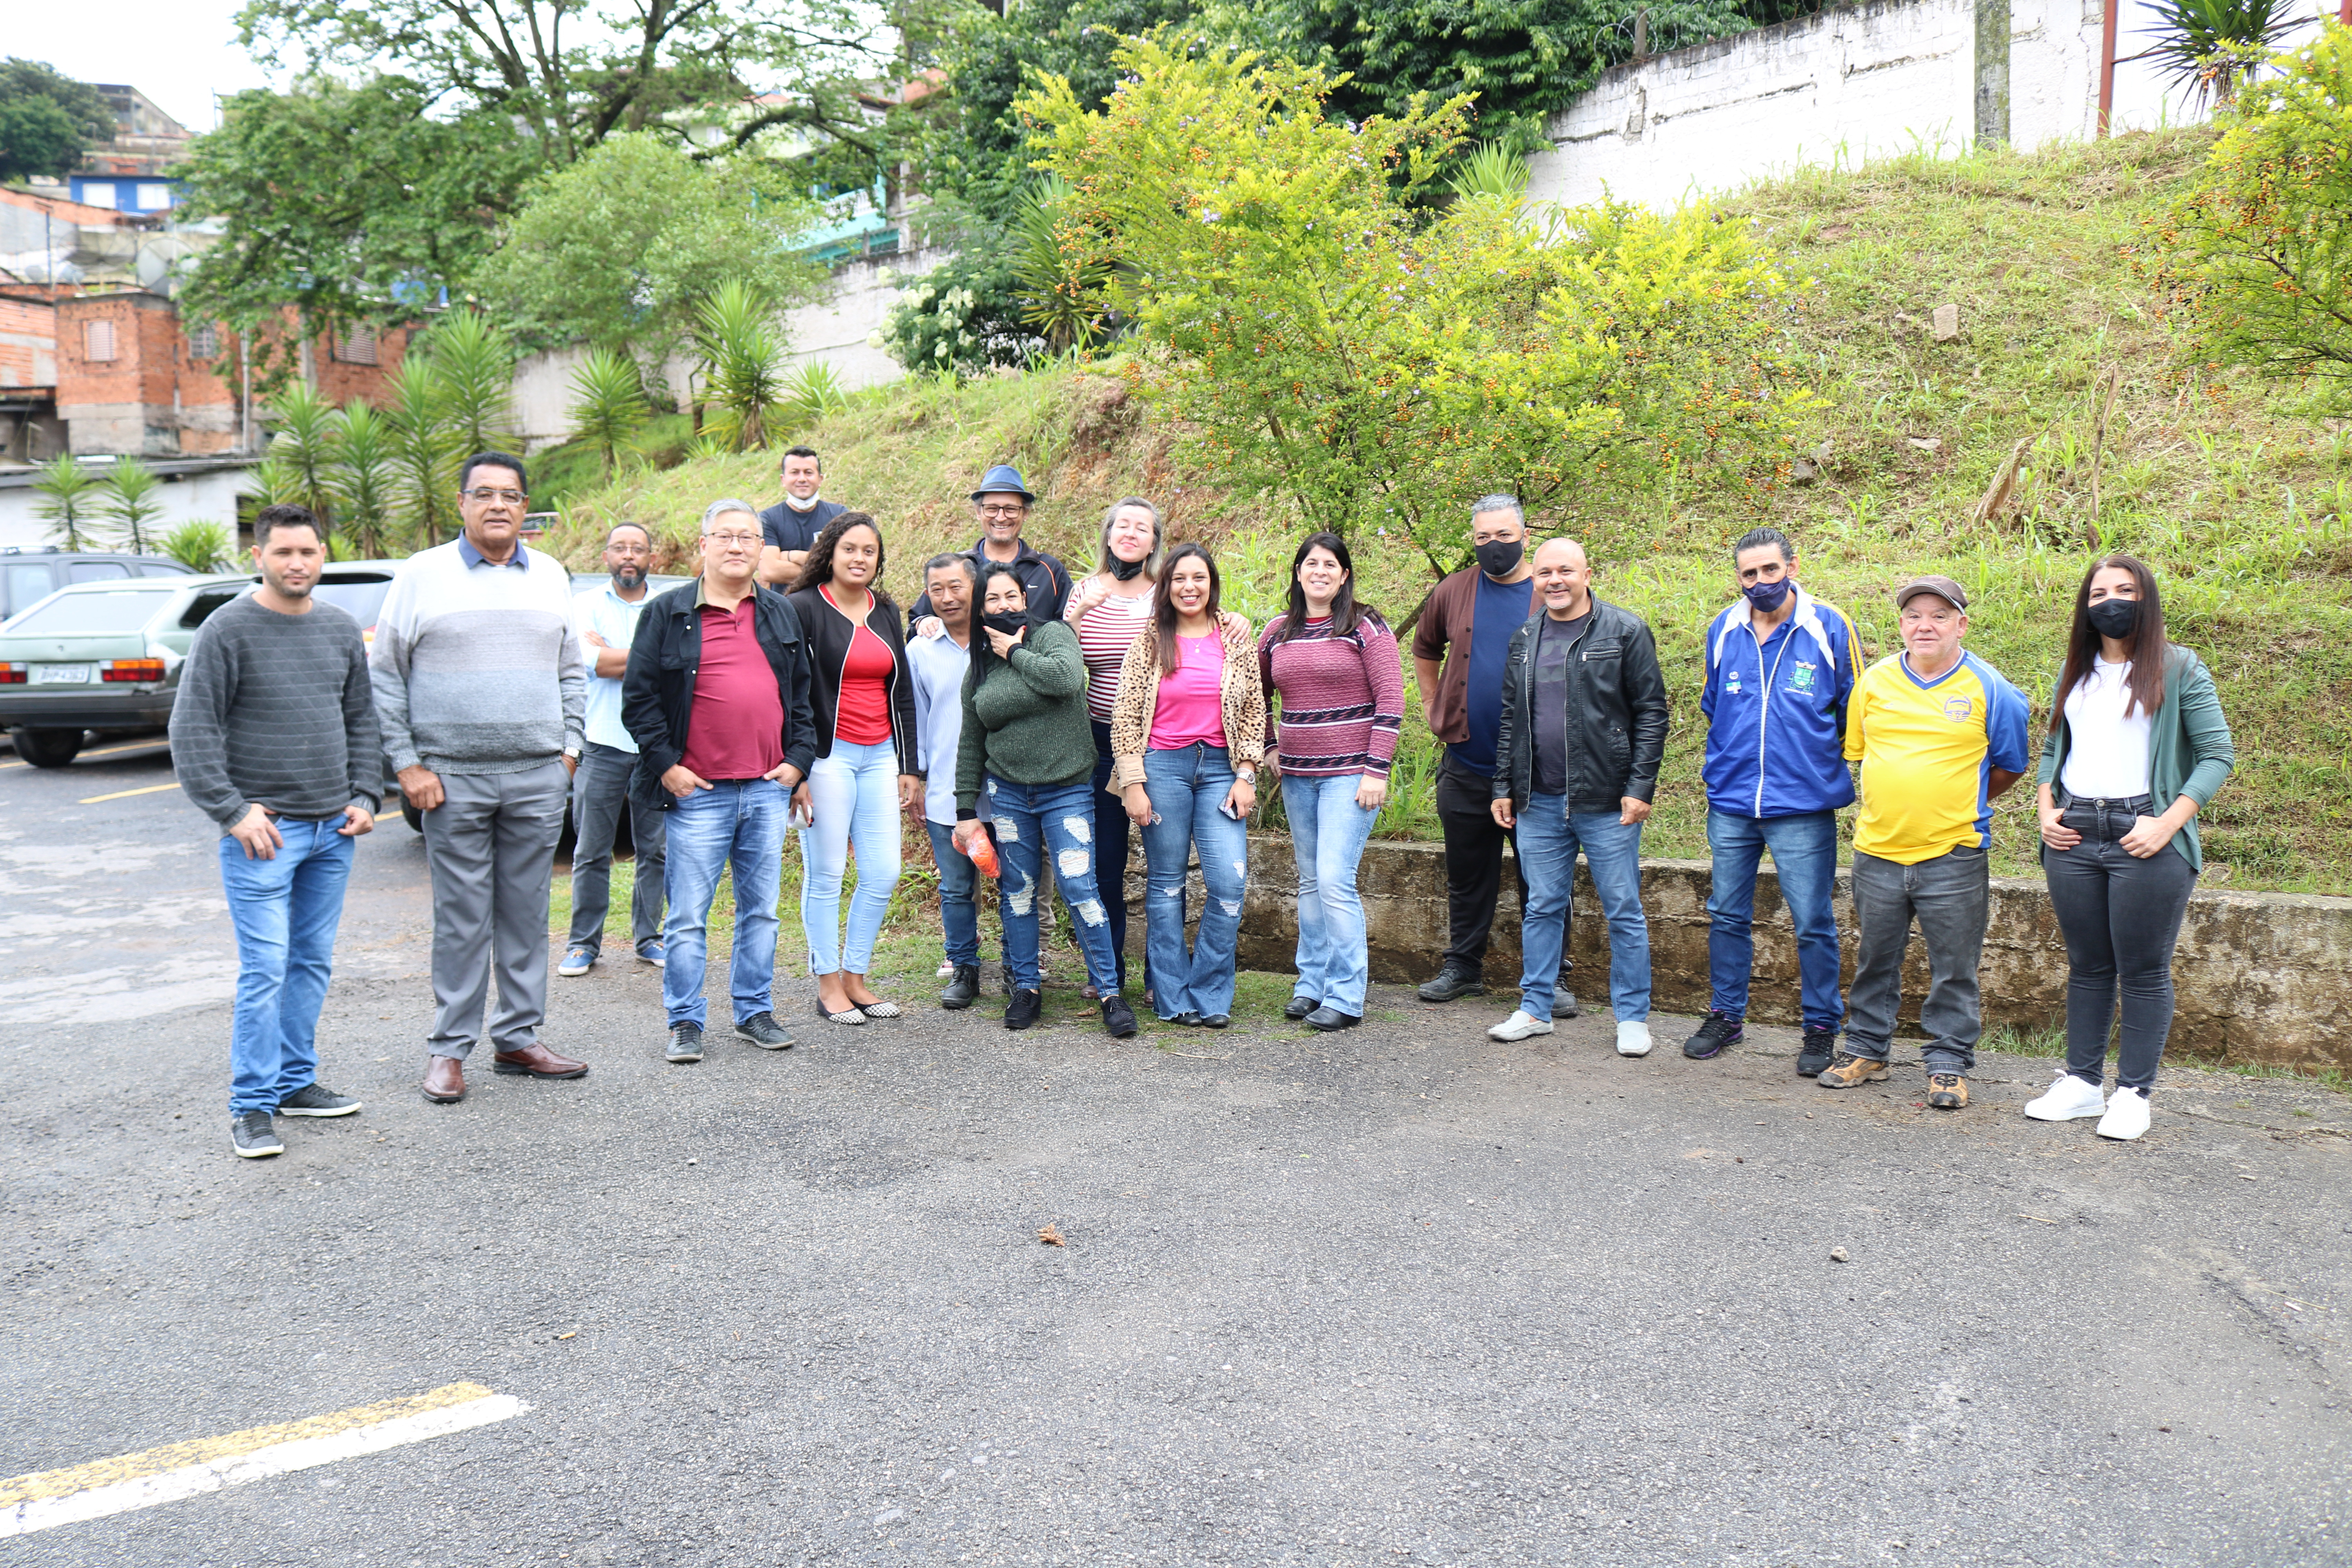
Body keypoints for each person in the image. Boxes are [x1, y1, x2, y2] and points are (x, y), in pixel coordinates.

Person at [373, 452, 588, 1105]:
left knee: (526, 916)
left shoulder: (550, 575)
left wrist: (570, 753)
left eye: (512, 496)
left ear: (527, 509)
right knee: (463, 920)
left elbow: (572, 670)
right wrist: (407, 765)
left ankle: (518, 1037)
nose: (499, 505)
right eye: (484, 494)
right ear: (460, 504)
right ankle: (448, 1051)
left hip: (537, 776)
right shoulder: (420, 576)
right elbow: (385, 674)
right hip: (450, 781)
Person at [170, 504, 379, 1159]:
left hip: (331, 834)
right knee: (264, 970)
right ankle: (251, 1107)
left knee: (310, 964)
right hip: (265, 836)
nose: (297, 564)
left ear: (323, 557)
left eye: (308, 553)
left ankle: (294, 1083)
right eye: (283, 553)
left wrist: (366, 794)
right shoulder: (228, 629)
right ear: (257, 557)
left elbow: (362, 722)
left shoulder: (341, 629)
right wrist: (233, 812)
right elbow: (191, 729)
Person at [2025, 555, 2233, 1142]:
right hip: (2074, 836)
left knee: (2143, 971)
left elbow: (2217, 755)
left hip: (2145, 835)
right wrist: (2046, 808)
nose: (2111, 600)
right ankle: (2083, 1084)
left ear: (2148, 598)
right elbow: (2052, 749)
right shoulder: (2078, 669)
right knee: (2088, 967)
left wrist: (2166, 824)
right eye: (2099, 592)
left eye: (2125, 589)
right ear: (2086, 607)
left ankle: (2134, 1092)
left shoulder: (2179, 667)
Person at [1821, 575, 2031, 1110]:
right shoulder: (1874, 683)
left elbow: (2009, 766)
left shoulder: (1991, 688)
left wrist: (1957, 804)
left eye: (1940, 615)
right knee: (1875, 959)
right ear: (1901, 625)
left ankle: (1948, 1064)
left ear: (1962, 624)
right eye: (1915, 615)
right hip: (1878, 850)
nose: (1926, 625)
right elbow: (1859, 752)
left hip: (1953, 854)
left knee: (1955, 968)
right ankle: (1867, 1050)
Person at [622, 500, 815, 1062]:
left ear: (762, 549)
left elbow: (801, 697)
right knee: (687, 915)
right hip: (698, 793)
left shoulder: (780, 613)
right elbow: (640, 701)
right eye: (725, 536)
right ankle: (685, 1022)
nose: (737, 546)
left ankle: (754, 1011)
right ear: (703, 545)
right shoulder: (667, 613)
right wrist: (667, 766)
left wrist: (798, 761)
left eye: (748, 538)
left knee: (761, 911)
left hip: (764, 787)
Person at [1485, 538, 1669, 1056]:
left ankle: (1632, 1017)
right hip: (1537, 801)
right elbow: (1510, 720)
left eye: (1565, 570)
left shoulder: (1625, 631)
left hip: (1607, 801)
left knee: (1623, 909)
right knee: (1542, 906)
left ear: (1588, 573)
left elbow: (1652, 712)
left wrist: (1640, 787)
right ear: (1535, 580)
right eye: (1545, 573)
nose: (1555, 581)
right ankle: (1536, 1008)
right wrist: (1503, 785)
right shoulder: (1525, 636)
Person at [1688, 527, 1860, 1073]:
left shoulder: (1829, 626)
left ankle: (1820, 1027)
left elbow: (1856, 712)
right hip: (1734, 801)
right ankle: (1726, 1015)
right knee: (1726, 914)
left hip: (1803, 805)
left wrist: (1810, 762)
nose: (1760, 582)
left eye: (1769, 570)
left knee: (1811, 920)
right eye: (1749, 574)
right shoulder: (1725, 628)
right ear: (1738, 577)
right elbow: (1714, 706)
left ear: (1792, 566)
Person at [953, 561, 1137, 1037]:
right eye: (991, 600)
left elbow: (1064, 680)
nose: (1002, 606)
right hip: (1010, 794)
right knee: (1017, 894)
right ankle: (1026, 989)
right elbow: (972, 741)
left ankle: (1111, 994)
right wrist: (965, 810)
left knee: (1080, 889)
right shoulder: (978, 668)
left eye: (1010, 596)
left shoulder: (1053, 635)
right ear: (980, 609)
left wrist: (1014, 650)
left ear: (1025, 599)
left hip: (1066, 790)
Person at [1409, 495, 1574, 1014]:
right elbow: (1424, 648)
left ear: (1526, 536)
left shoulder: (1552, 590)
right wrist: (1435, 705)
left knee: (1543, 880)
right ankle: (1464, 967)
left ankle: (1550, 978)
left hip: (1538, 773)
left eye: (1504, 536)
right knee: (1468, 874)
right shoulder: (1455, 590)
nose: (1494, 546)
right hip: (1468, 763)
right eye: (1483, 538)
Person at [1112, 543, 1265, 1028]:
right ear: (1167, 586)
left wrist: (1247, 773)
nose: (1189, 587)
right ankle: (1172, 994)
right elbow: (1125, 715)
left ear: (1212, 583)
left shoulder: (1236, 637)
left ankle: (1211, 991)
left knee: (1228, 883)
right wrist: (1134, 783)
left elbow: (1254, 711)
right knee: (1165, 886)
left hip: (1222, 769)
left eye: (1198, 578)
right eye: (1179, 579)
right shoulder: (1149, 640)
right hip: (1164, 768)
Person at [1256, 531, 1403, 1031]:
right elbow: (1255, 698)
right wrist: (1271, 746)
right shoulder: (1278, 631)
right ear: (1299, 573)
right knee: (1311, 882)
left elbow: (1391, 700)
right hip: (1299, 777)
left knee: (1336, 881)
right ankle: (1310, 984)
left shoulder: (1367, 626)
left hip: (1352, 776)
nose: (1320, 571)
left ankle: (1346, 994)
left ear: (1343, 575)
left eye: (1330, 565)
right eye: (1310, 563)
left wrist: (1377, 770)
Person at [788, 512, 921, 1025]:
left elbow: (902, 690)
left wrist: (909, 764)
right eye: (850, 549)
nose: (860, 558)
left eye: (870, 551)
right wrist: (797, 769)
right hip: (827, 757)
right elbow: (791, 691)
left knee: (884, 870)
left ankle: (856, 978)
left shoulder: (885, 610)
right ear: (831, 553)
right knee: (826, 873)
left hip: (880, 755)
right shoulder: (802, 608)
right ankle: (827, 984)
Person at [1062, 496, 1163, 996]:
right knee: (1105, 864)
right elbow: (1062, 665)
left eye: (1142, 527)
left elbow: (1199, 636)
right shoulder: (1084, 591)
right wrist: (1079, 613)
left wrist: (1235, 621)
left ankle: (1159, 975)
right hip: (1099, 742)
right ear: (1108, 535)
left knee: (1164, 863)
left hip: (1159, 742)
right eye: (1123, 524)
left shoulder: (1167, 592)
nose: (1130, 533)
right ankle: (1109, 971)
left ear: (1153, 542)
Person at [559, 522, 667, 978]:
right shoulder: (582, 606)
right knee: (591, 850)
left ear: (652, 559)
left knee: (655, 849)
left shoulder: (666, 607)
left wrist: (623, 657)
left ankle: (649, 938)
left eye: (638, 549)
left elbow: (678, 666)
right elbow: (592, 664)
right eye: (620, 548)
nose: (629, 555)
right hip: (601, 741)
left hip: (655, 745)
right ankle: (583, 944)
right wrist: (648, 657)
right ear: (606, 556)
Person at [909, 554, 996, 1008]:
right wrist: (916, 776)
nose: (947, 597)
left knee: (1018, 882)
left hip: (1005, 788)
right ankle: (964, 969)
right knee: (956, 886)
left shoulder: (1000, 640)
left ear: (975, 585)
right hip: (945, 788)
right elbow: (918, 719)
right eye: (937, 589)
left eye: (956, 586)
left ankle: (1023, 972)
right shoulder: (920, 649)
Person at [908, 464, 1074, 633]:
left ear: (1025, 514)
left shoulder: (1049, 570)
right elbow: (916, 622)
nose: (1001, 518)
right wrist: (924, 621)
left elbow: (1070, 627)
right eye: (992, 509)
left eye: (1011, 509)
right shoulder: (957, 568)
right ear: (978, 512)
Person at [757, 447, 846, 590]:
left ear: (820, 479)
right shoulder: (767, 519)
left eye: (809, 473)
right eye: (795, 473)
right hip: (786, 607)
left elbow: (844, 566)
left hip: (829, 606)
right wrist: (823, 566)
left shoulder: (839, 516)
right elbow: (770, 571)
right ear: (783, 480)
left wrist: (791, 556)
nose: (802, 479)